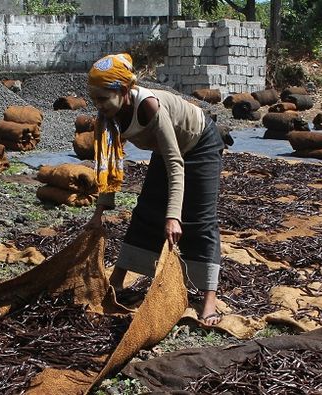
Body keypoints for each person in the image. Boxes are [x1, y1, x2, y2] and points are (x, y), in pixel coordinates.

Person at [85, 54, 225, 326]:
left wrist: (173, 216)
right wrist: (99, 213)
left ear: (124, 91)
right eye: (95, 99)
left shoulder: (149, 106)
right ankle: (118, 279)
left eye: (103, 99)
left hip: (200, 143)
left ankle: (209, 298)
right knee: (147, 210)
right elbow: (108, 164)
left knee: (200, 219)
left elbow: (176, 163)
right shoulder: (107, 116)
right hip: (165, 148)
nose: (98, 106)